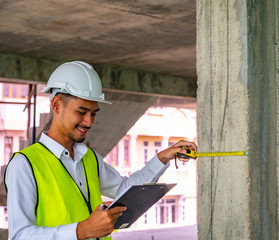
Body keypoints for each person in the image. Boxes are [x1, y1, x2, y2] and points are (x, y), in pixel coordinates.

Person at [4, 61, 197, 240]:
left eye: (93, 113)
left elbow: (124, 190)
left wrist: (162, 158)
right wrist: (81, 231)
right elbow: (20, 235)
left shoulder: (89, 158)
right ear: (56, 105)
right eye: (81, 112)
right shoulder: (25, 164)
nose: (89, 122)